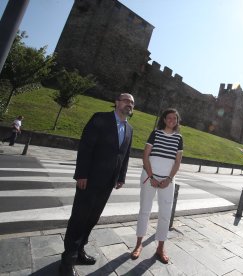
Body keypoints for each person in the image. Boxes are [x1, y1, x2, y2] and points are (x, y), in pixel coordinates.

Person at [59, 93, 135, 276]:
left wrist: (121, 177)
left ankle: (79, 251)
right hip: (90, 179)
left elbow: (124, 156)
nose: (129, 104)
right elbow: (86, 147)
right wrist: (82, 174)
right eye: (126, 100)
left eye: (132, 103)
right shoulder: (100, 118)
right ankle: (67, 260)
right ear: (116, 102)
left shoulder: (129, 129)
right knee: (79, 218)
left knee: (92, 218)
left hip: (108, 183)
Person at [131, 108, 183, 264]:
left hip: (167, 180)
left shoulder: (179, 138)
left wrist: (168, 178)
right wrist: (151, 176)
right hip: (149, 177)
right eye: (169, 118)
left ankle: (160, 247)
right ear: (164, 119)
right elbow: (145, 156)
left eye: (175, 118)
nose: (171, 120)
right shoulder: (156, 133)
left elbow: (178, 161)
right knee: (144, 211)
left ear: (177, 121)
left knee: (165, 214)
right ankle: (138, 245)